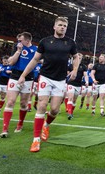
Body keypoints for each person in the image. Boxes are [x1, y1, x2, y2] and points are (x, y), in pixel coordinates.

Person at [17, 17, 79, 152]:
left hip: (61, 79)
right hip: (45, 77)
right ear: (54, 27)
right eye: (60, 25)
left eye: (65, 26)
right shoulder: (45, 41)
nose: (63, 27)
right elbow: (35, 60)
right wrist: (22, 76)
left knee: (55, 110)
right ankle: (36, 140)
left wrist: (75, 69)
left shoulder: (70, 42)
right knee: (42, 105)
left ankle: (46, 124)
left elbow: (75, 57)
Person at [0, 32, 37, 138]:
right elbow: (10, 63)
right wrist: (18, 51)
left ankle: (20, 123)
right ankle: (5, 129)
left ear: (27, 40)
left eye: (20, 41)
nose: (18, 42)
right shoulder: (17, 48)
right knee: (10, 101)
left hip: (28, 78)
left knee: (24, 104)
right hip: (15, 77)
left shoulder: (35, 50)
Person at [66, 53, 88, 119]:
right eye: (77, 57)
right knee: (70, 98)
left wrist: (86, 81)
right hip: (71, 83)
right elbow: (68, 75)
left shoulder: (83, 66)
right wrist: (74, 70)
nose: (78, 59)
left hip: (78, 85)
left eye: (80, 58)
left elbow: (85, 75)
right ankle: (69, 113)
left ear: (81, 59)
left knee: (74, 100)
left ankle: (71, 112)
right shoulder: (70, 65)